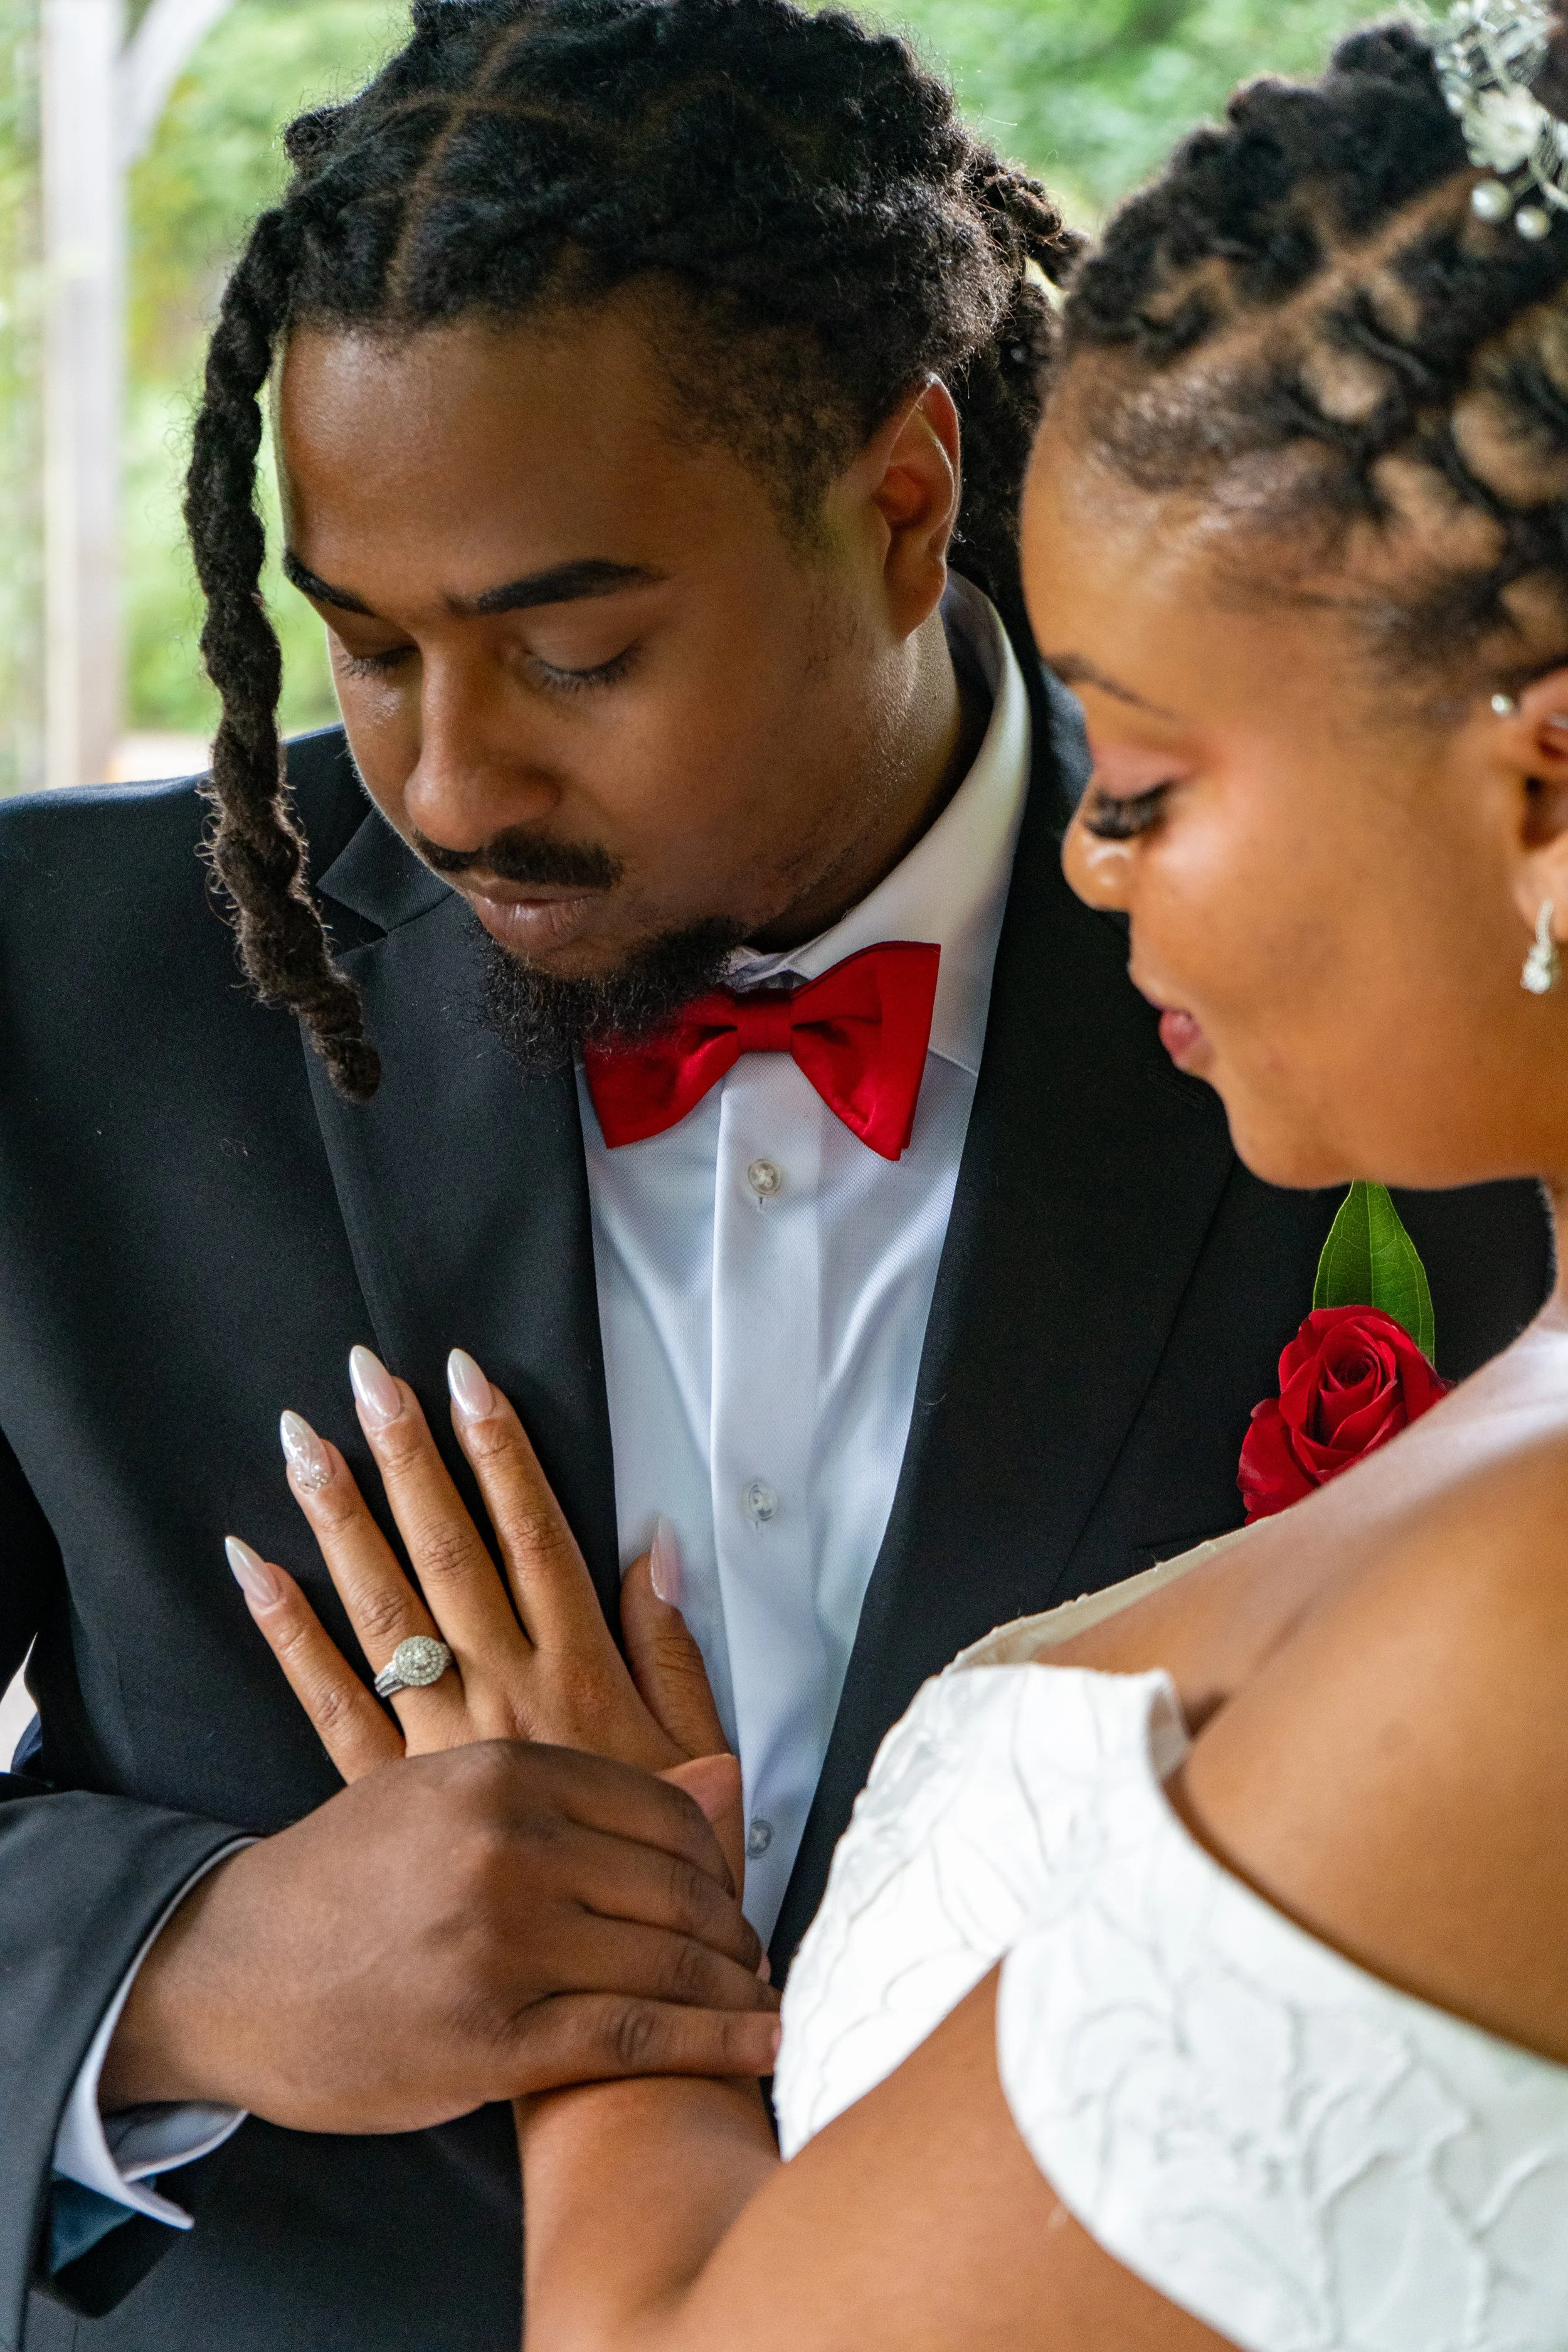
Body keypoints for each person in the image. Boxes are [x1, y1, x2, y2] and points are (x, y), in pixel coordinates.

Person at [0, 4, 1548, 2348]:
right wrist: (184, 1975)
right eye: (365, 644)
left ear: (905, 499)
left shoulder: (1381, 1016)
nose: (437, 776)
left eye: (578, 648)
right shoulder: (55, 997)